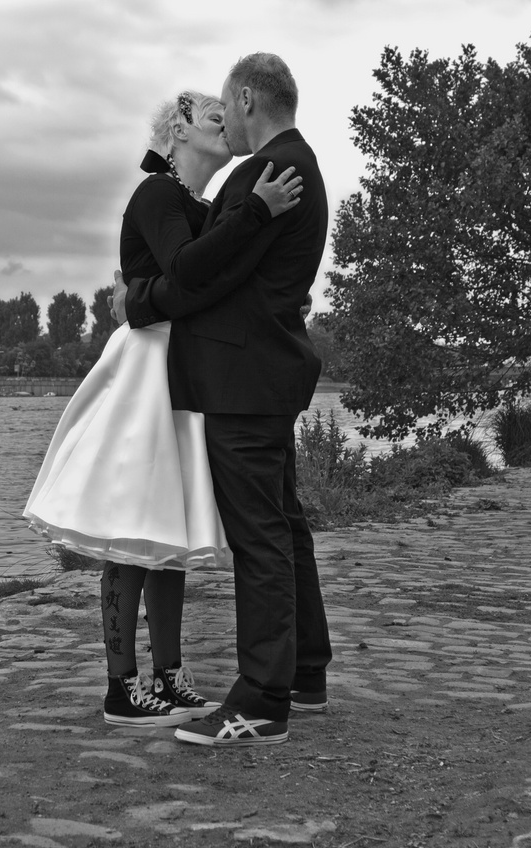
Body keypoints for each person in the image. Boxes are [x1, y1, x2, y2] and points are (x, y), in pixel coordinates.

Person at [23, 89, 304, 727]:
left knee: (165, 530)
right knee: (133, 521)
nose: (225, 122)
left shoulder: (198, 204)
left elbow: (196, 282)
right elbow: (185, 270)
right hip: (147, 370)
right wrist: (256, 212)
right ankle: (122, 686)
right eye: (212, 115)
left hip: (179, 368)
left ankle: (170, 676)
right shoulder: (156, 196)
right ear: (179, 130)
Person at [117, 52, 331, 748]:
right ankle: (303, 671)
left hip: (243, 380)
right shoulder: (300, 165)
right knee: (284, 523)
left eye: (225, 106)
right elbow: (214, 270)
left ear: (246, 99)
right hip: (265, 373)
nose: (223, 119)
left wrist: (139, 300)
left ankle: (262, 699)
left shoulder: (262, 174)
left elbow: (199, 275)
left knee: (260, 534)